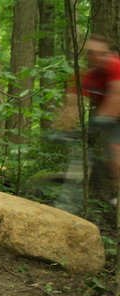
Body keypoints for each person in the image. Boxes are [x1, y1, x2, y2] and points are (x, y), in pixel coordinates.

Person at [54, 35, 120, 204]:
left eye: (101, 53)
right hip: (111, 119)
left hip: (114, 113)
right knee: (108, 158)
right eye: (92, 53)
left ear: (107, 53)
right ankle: (115, 197)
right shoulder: (82, 74)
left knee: (116, 152)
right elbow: (71, 105)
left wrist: (103, 117)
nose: (96, 57)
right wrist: (61, 129)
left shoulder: (115, 65)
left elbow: (116, 94)